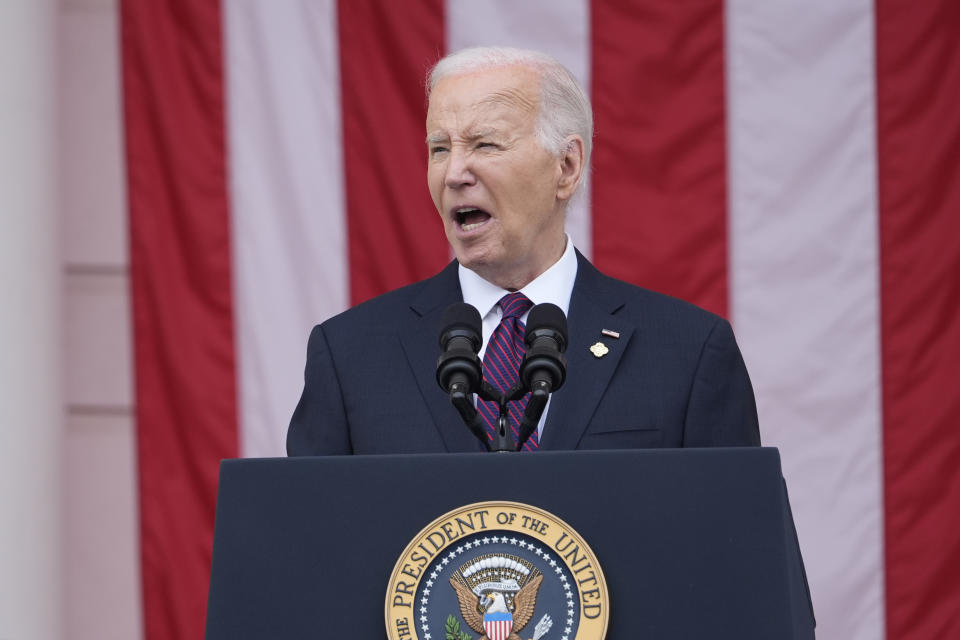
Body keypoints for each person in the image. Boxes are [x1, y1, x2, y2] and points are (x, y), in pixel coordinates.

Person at [287, 47, 759, 456]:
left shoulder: (688, 353)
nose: (454, 174)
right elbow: (304, 552)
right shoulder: (349, 357)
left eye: (485, 144)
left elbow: (742, 547)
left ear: (567, 167)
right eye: (439, 148)